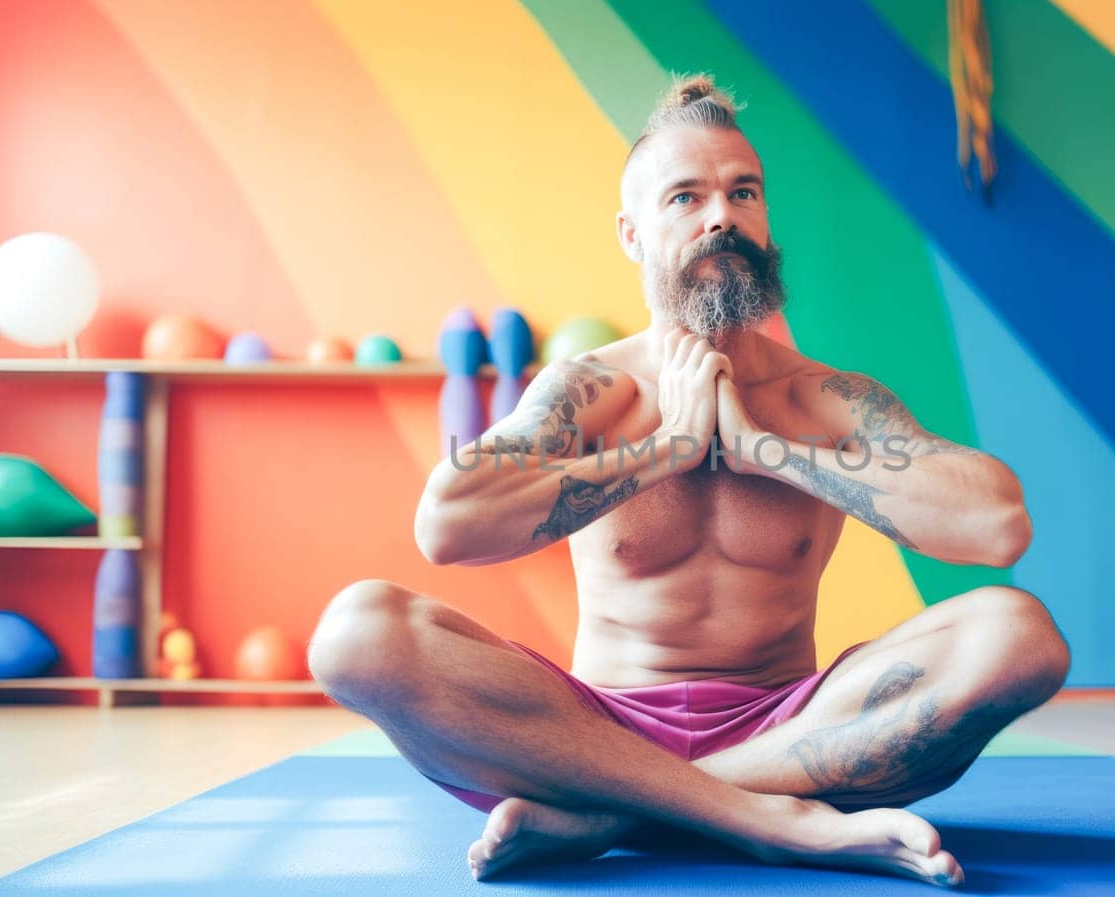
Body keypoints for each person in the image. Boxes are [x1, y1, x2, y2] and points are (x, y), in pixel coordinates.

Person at [308, 74, 1070, 888]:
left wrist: (766, 450)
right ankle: (764, 817)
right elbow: (445, 525)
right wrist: (665, 450)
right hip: (594, 724)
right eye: (686, 197)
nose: (722, 216)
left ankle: (622, 813)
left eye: (744, 192)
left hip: (800, 727)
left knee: (1018, 634)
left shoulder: (819, 398)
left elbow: (998, 523)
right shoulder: (587, 391)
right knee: (356, 630)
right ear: (631, 234)